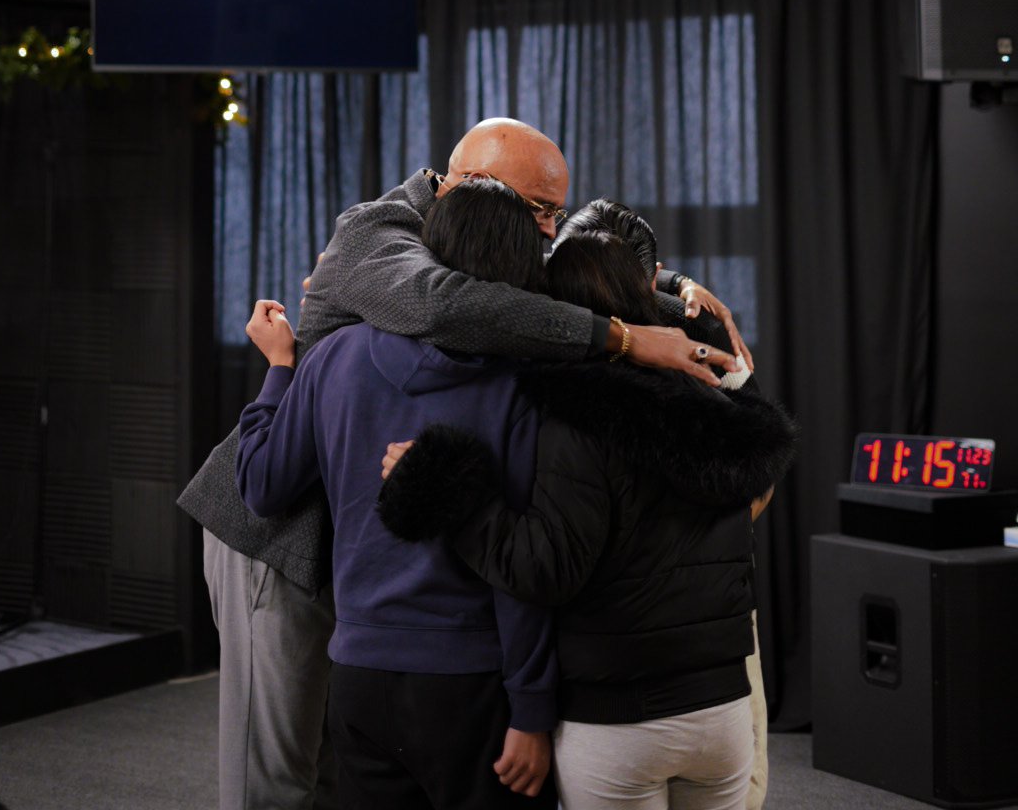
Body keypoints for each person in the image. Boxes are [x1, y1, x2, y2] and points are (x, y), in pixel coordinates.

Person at [179, 119, 750, 810]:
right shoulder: (374, 232)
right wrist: (626, 337)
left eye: (556, 213)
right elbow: (447, 305)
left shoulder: (494, 240)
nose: (548, 232)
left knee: (339, 769)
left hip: (364, 537)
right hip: (274, 526)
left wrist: (677, 297)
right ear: (462, 186)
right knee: (274, 775)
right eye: (539, 210)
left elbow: (552, 285)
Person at [379, 209, 796, 810]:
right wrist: (678, 288)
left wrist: (453, 492)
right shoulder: (719, 398)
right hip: (723, 716)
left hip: (619, 722)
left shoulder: (574, 414)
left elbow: (545, 568)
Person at [235, 179, 559, 809]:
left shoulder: (331, 358)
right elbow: (518, 570)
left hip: (359, 677)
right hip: (474, 686)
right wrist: (532, 709)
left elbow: (263, 485)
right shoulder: (521, 387)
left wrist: (279, 368)